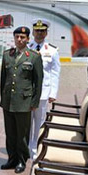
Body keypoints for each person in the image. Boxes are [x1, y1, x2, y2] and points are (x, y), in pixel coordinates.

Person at [0, 26, 43, 174]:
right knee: (10, 132)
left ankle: (21, 160)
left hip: (24, 101)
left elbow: (38, 82)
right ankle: (11, 158)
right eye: (17, 37)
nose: (19, 39)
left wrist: (34, 102)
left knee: (22, 134)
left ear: (27, 39)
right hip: (8, 100)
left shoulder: (34, 56)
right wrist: (3, 98)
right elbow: (3, 79)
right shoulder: (7, 55)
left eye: (22, 37)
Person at [27, 19, 61, 160]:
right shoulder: (27, 48)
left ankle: (36, 147)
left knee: (40, 122)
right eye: (37, 30)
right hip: (27, 92)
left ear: (46, 33)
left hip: (43, 93)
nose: (39, 33)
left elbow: (55, 73)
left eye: (42, 31)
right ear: (33, 32)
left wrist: (53, 93)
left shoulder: (52, 51)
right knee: (27, 123)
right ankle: (27, 147)